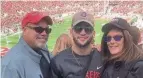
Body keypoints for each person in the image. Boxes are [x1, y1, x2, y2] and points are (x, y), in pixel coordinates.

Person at [50, 11, 103, 78]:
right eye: (78, 28)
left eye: (88, 29)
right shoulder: (58, 61)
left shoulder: (103, 57)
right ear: (71, 32)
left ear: (94, 33)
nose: (83, 33)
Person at [2, 11, 53, 78]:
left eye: (47, 30)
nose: (44, 33)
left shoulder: (43, 50)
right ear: (25, 30)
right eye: (39, 29)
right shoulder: (11, 65)